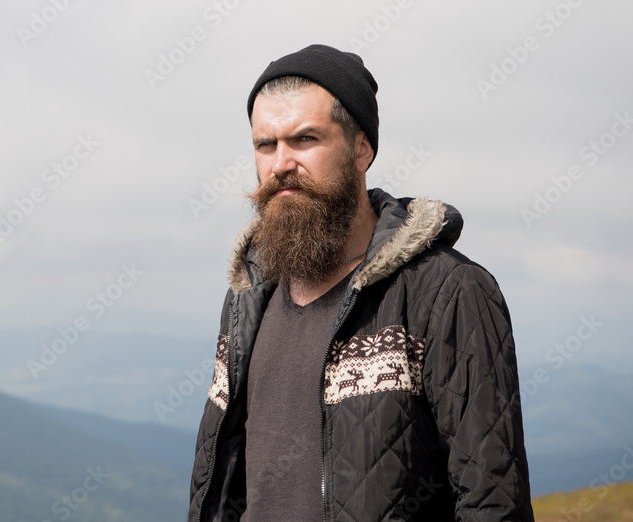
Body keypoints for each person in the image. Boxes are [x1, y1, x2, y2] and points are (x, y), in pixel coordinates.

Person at [187, 44, 533, 521]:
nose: (280, 163)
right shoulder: (247, 299)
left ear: (361, 148)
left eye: (305, 139)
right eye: (265, 145)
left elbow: (493, 502)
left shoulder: (446, 291)